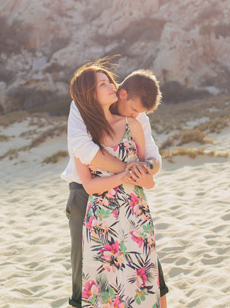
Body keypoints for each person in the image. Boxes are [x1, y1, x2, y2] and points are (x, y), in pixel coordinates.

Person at [62, 61, 168, 307]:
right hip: (84, 195)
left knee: (147, 267)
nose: (135, 115)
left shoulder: (135, 117)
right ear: (122, 95)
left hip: (130, 200)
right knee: (86, 274)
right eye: (132, 110)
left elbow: (153, 157)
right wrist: (128, 171)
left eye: (108, 81)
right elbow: (85, 151)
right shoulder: (81, 109)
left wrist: (144, 171)